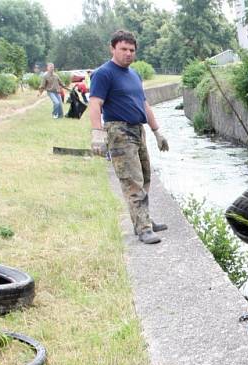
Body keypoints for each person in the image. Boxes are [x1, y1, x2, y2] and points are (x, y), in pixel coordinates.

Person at [88, 30, 169, 244]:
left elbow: (144, 104)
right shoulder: (103, 73)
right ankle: (143, 229)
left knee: (145, 176)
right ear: (112, 48)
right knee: (132, 181)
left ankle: (145, 220)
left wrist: (156, 131)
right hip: (119, 131)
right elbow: (95, 103)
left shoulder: (134, 75)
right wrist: (97, 133)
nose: (128, 53)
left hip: (137, 129)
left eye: (132, 50)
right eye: (123, 49)